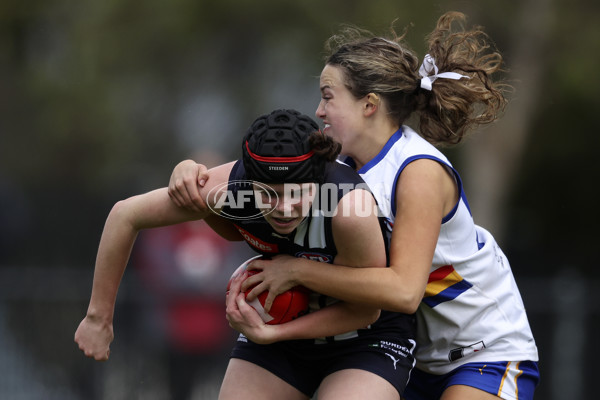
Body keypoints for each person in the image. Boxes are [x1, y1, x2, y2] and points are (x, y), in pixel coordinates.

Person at [167, 12, 539, 400]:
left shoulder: (417, 172)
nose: (319, 110)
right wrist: (193, 174)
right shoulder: (338, 167)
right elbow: (248, 194)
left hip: (484, 352)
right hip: (416, 355)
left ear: (369, 105)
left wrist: (296, 270)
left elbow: (403, 291)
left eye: (328, 96)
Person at [75, 109, 417, 400]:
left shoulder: (349, 208)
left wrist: (287, 298)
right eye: (268, 194)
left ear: (318, 181)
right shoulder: (227, 192)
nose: (283, 208)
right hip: (280, 330)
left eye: (297, 194)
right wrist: (98, 317)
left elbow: (366, 309)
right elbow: (125, 215)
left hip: (365, 338)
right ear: (248, 182)